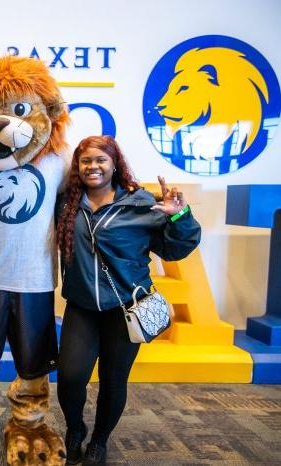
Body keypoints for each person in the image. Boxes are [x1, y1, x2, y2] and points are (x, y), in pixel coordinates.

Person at [55, 135, 201, 465]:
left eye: (100, 160)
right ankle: (75, 428)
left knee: (113, 379)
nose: (93, 166)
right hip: (81, 307)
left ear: (114, 164)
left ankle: (99, 442)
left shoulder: (141, 203)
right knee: (70, 376)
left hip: (125, 308)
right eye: (86, 161)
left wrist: (179, 217)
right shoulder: (66, 203)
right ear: (78, 167)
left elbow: (176, 248)